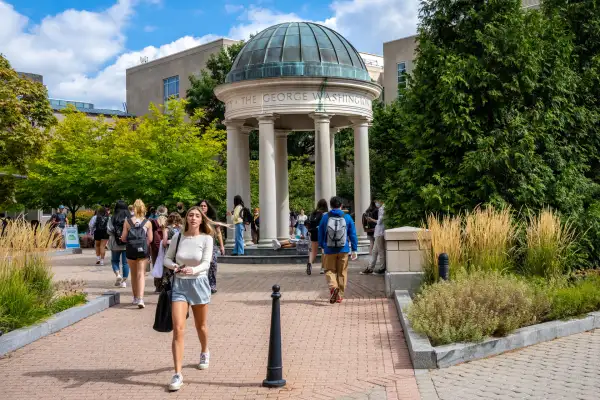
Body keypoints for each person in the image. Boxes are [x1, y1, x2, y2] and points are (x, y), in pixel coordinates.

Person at [163, 206, 214, 391]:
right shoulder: (178, 237)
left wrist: (194, 269)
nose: (193, 218)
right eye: (190, 215)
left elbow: (207, 263)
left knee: (200, 325)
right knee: (178, 329)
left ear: (202, 220)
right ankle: (177, 374)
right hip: (180, 286)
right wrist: (175, 266)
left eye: (197, 216)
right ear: (186, 218)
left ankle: (204, 351)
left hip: (199, 284)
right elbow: (166, 259)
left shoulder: (207, 239)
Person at [318, 196, 358, 304]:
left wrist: (322, 245)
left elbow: (320, 232)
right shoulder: (347, 217)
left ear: (330, 206)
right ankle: (340, 295)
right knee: (342, 272)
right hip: (343, 249)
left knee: (329, 270)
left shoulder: (325, 217)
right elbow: (352, 234)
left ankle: (333, 286)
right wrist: (354, 249)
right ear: (341, 205)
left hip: (329, 249)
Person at [120, 199, 153, 309]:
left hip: (130, 250)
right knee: (141, 274)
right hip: (143, 251)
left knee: (133, 274)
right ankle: (141, 299)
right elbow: (150, 239)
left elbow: (124, 238)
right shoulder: (147, 222)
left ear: (133, 208)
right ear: (144, 208)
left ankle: (135, 297)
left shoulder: (127, 221)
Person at [197, 200, 225, 293]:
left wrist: (222, 246)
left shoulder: (213, 220)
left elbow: (219, 233)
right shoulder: (196, 218)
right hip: (199, 246)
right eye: (201, 206)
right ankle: (201, 285)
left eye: (205, 206)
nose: (203, 207)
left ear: (208, 207)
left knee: (212, 265)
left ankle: (212, 285)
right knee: (200, 264)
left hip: (212, 245)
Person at [108, 200, 129, 288]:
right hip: (126, 243)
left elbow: (109, 230)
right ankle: (124, 281)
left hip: (114, 242)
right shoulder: (129, 218)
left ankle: (117, 274)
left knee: (114, 260)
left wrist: (116, 235)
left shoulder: (112, 218)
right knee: (125, 263)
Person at [306, 199, 328, 275]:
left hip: (313, 232)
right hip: (321, 233)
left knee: (313, 251)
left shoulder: (313, 213)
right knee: (323, 251)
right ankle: (323, 267)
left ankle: (310, 263)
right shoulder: (325, 214)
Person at [365, 200, 386, 274]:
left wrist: (371, 219)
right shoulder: (381, 208)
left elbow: (379, 222)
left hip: (380, 232)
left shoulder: (382, 209)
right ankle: (371, 267)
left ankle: (382, 267)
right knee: (374, 251)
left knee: (380, 250)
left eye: (376, 201)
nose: (376, 203)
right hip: (378, 232)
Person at [151, 207, 168, 292]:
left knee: (156, 264)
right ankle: (166, 284)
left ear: (157, 212)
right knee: (167, 265)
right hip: (167, 245)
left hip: (155, 246)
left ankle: (158, 286)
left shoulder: (153, 221)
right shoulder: (168, 221)